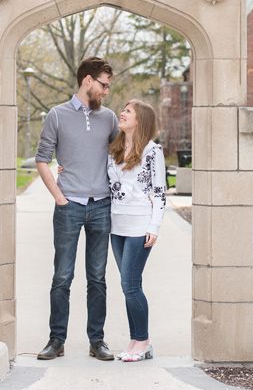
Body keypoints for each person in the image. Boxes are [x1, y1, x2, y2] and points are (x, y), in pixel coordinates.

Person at [34, 56, 119, 361]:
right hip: (68, 206)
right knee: (63, 276)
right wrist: (58, 196)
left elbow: (120, 157)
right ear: (87, 81)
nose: (106, 91)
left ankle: (97, 341)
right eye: (104, 85)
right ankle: (56, 340)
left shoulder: (109, 118)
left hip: (101, 207)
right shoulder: (56, 116)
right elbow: (41, 158)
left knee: (97, 277)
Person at [106, 99, 167, 362]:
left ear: (140, 119)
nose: (122, 113)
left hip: (140, 225)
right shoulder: (114, 149)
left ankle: (143, 341)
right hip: (116, 225)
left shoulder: (153, 151)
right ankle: (135, 340)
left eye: (128, 111)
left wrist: (154, 226)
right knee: (129, 285)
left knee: (130, 285)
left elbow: (159, 191)